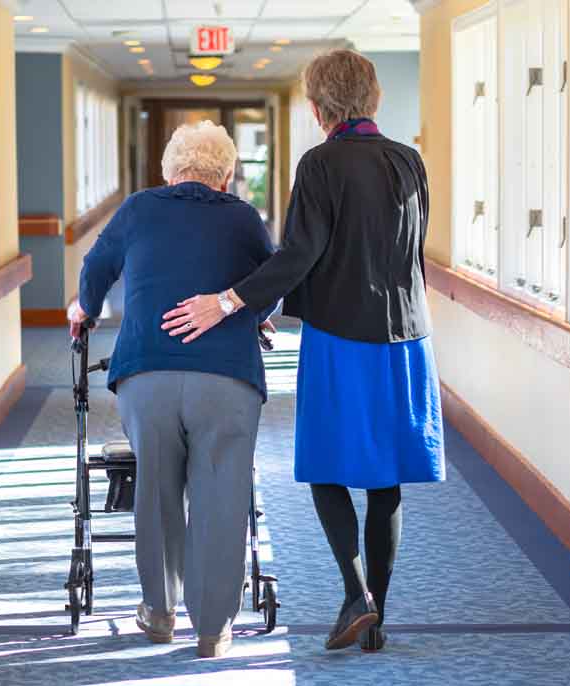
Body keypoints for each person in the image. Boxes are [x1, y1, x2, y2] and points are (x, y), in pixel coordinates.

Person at [161, 50, 445, 653]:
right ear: (372, 99)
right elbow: (414, 251)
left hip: (343, 337)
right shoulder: (410, 161)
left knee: (323, 466)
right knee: (385, 479)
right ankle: (377, 618)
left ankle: (354, 592)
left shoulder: (321, 164)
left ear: (317, 109)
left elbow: (299, 254)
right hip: (408, 338)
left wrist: (233, 303)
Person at [68, 120, 276, 658]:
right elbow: (272, 285)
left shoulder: (139, 208)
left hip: (149, 376)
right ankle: (213, 628)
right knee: (222, 495)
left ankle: (159, 612)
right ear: (227, 175)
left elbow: (96, 269)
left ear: (168, 170)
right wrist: (251, 310)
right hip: (227, 379)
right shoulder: (244, 217)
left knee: (157, 489)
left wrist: (82, 309)